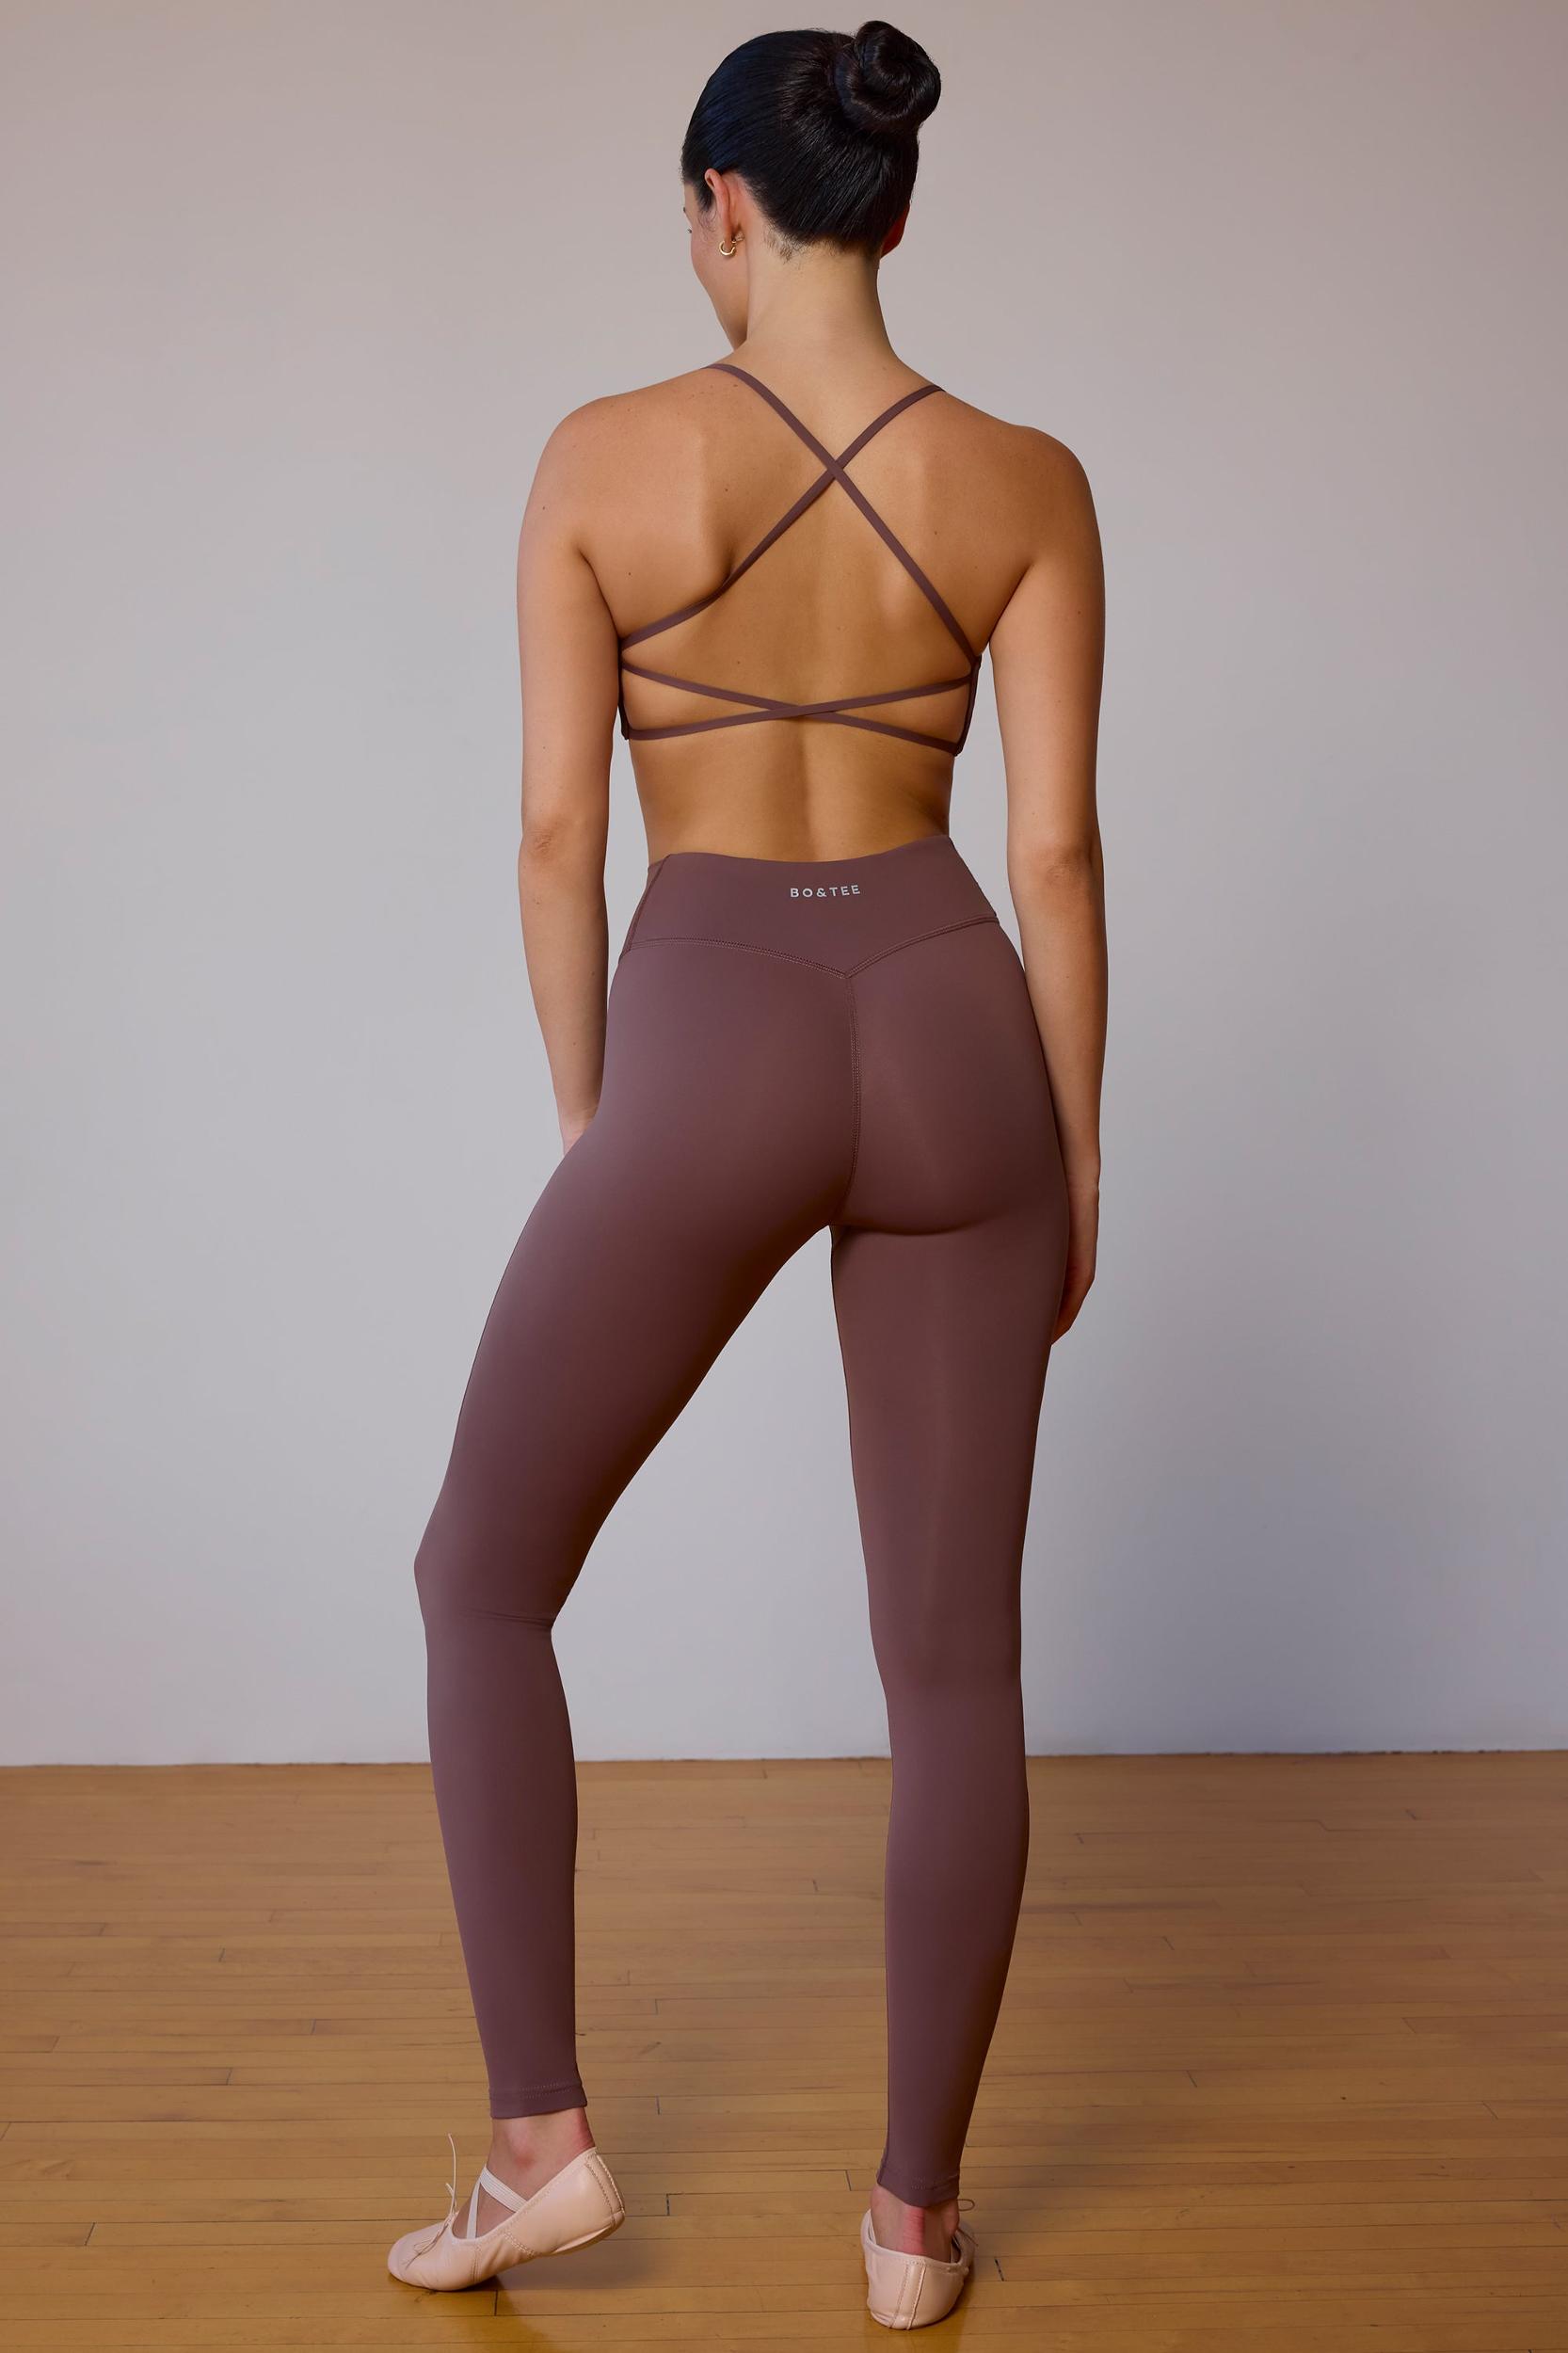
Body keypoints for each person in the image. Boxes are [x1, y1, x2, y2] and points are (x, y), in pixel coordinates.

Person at [389, 18, 1106, 2329]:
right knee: (954, 1664)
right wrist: (1075, 1157)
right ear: (892, 202)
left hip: (711, 1020)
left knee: (482, 1575)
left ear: (723, 205)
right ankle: (910, 2225)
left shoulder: (603, 455)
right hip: (958, 1025)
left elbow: (551, 836)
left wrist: (609, 1126)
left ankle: (538, 2148)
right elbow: (1057, 855)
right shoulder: (1026, 478)